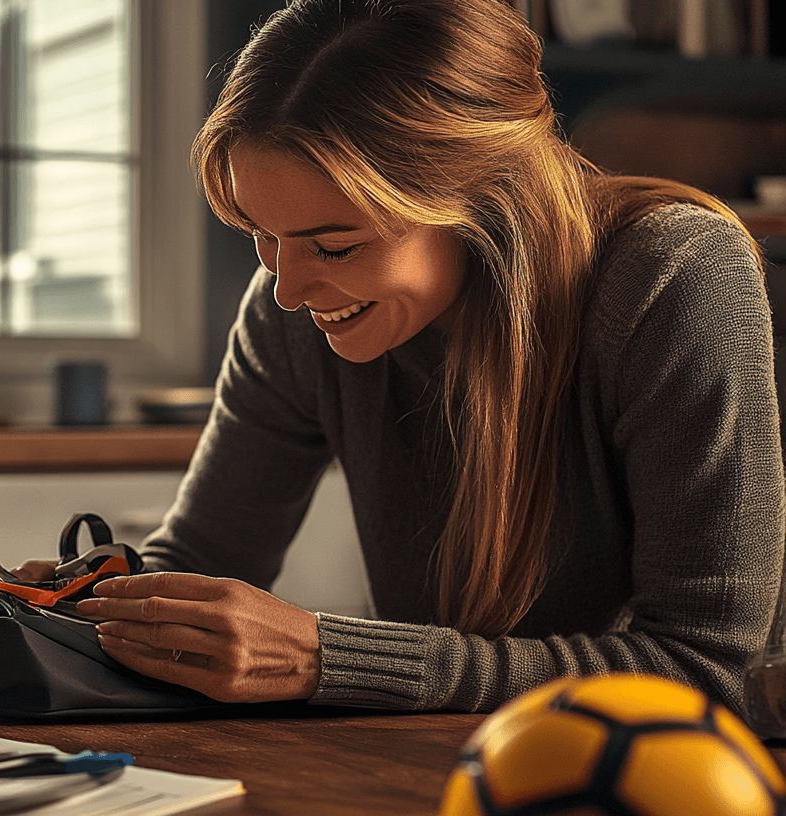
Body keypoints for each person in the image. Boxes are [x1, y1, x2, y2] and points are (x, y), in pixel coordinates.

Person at [53, 0, 784, 715]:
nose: (287, 291)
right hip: (435, 762)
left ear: (481, 199)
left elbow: (709, 668)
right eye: (261, 235)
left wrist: (325, 660)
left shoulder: (674, 278)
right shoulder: (294, 317)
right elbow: (205, 557)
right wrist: (81, 603)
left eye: (334, 246)